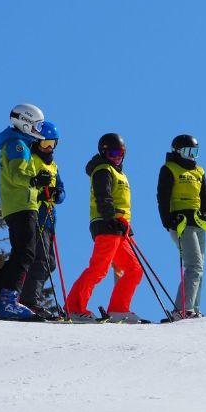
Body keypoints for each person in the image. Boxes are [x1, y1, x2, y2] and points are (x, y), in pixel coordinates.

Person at [63, 133, 145, 323]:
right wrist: (111, 218)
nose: (117, 156)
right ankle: (74, 308)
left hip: (119, 228)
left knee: (134, 269)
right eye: (113, 153)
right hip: (106, 225)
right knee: (99, 268)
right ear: (103, 152)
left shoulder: (119, 172)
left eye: (121, 153)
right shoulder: (102, 170)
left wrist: (126, 227)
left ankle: (118, 309)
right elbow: (103, 196)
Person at [0, 103, 52, 320]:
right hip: (22, 205)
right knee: (26, 253)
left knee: (20, 252)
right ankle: (9, 301)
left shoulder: (17, 143)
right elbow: (16, 174)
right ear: (25, 122)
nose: (38, 131)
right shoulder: (18, 145)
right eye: (36, 125)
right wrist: (34, 179)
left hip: (16, 204)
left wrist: (38, 186)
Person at [157, 134, 206, 320]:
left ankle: (193, 308)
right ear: (177, 152)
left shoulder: (199, 171)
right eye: (188, 152)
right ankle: (182, 309)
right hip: (181, 223)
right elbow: (162, 196)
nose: (192, 156)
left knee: (200, 266)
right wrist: (168, 220)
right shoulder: (169, 169)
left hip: (198, 222)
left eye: (195, 152)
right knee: (194, 265)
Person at [20, 121, 66, 319]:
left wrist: (56, 195)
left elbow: (62, 190)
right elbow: (25, 183)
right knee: (41, 260)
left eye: (52, 143)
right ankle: (29, 300)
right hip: (36, 215)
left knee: (50, 263)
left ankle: (28, 297)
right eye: (44, 143)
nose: (48, 148)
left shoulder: (53, 165)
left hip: (49, 218)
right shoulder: (32, 159)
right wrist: (39, 191)